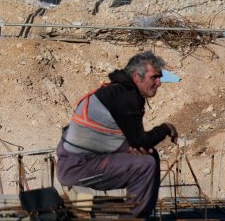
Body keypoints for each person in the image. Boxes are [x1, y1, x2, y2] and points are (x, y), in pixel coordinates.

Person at [56, 51, 178, 219]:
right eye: (154, 77)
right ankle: (134, 217)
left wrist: (135, 146)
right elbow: (140, 142)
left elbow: (130, 141)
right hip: (77, 167)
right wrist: (165, 128)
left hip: (79, 158)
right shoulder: (126, 97)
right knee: (146, 164)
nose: (159, 83)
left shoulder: (118, 91)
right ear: (137, 77)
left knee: (148, 155)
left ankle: (140, 213)